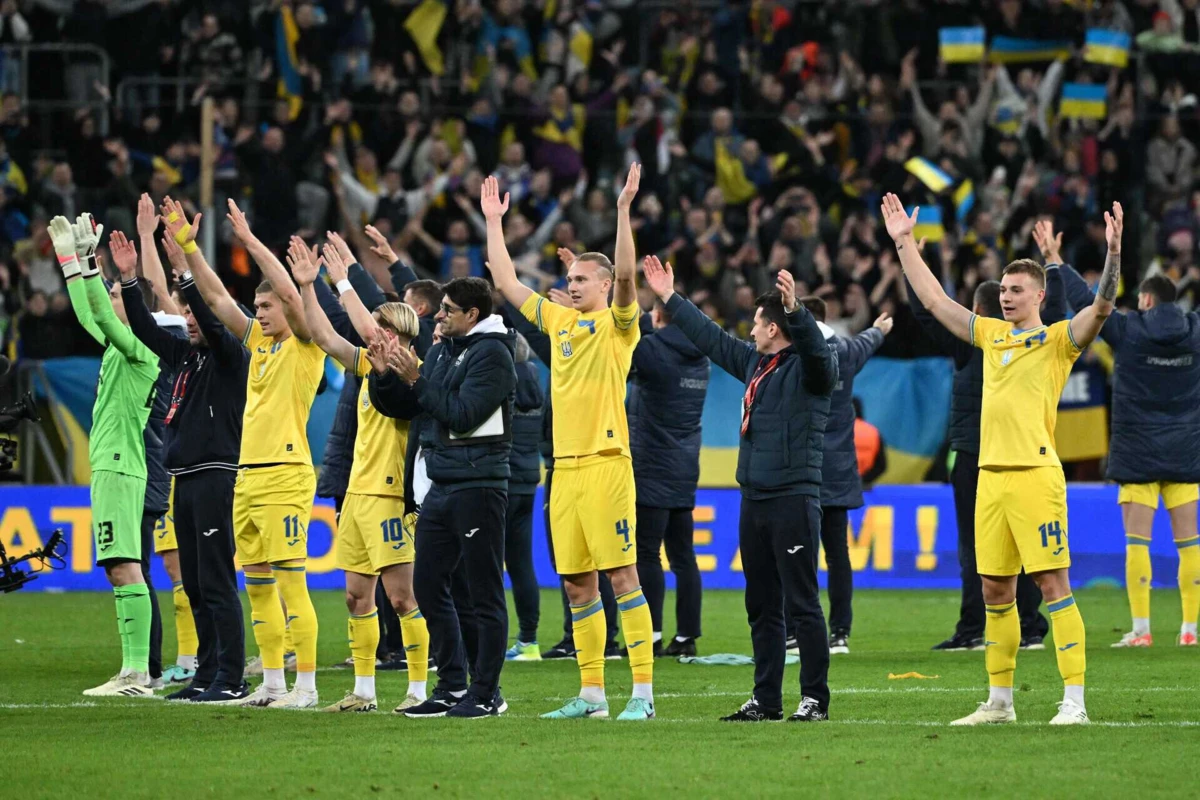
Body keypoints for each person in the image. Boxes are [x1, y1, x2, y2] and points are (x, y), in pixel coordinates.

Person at [883, 192, 1122, 726]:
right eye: (1005, 290)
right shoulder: (991, 337)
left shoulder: (1058, 340)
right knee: (995, 590)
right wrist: (903, 245)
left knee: (1054, 586)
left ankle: (1074, 702)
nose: (1008, 297)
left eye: (1017, 290)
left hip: (1036, 477)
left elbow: (1102, 306)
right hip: (989, 479)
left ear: (1039, 295)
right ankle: (999, 702)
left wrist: (1113, 254)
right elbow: (935, 302)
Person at [484, 165, 658, 721]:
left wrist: (624, 210)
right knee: (578, 585)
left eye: (584, 280)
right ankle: (591, 696)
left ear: (604, 287)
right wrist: (494, 222)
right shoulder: (558, 322)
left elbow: (629, 277)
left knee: (622, 578)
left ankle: (643, 696)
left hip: (608, 466)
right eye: (573, 279)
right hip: (564, 470)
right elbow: (509, 286)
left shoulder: (619, 326)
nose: (574, 285)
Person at [643, 255, 838, 723]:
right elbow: (712, 339)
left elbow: (816, 353)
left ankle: (814, 698)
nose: (750, 330)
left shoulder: (813, 368)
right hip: (754, 499)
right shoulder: (756, 364)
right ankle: (766, 699)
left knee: (803, 604)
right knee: (761, 605)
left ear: (774, 328)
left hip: (793, 497)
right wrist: (671, 298)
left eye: (757, 323)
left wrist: (797, 312)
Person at [162, 198, 325, 709]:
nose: (259, 312)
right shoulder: (257, 344)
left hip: (284, 474)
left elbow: (296, 303)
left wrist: (252, 243)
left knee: (292, 584)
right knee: (256, 586)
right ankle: (273, 684)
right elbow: (214, 297)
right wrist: (190, 249)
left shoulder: (305, 344)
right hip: (247, 476)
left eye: (267, 305)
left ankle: (307, 687)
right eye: (257, 307)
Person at [285, 237, 431, 712]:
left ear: (399, 334)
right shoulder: (369, 367)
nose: (373, 336)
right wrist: (309, 287)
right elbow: (326, 337)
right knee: (355, 597)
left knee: (403, 597)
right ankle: (364, 692)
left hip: (391, 497)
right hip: (356, 495)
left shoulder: (413, 372)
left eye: (382, 329)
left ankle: (417, 689)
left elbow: (362, 325)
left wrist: (344, 280)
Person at [1041, 223, 1200, 649]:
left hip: (1138, 456)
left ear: (1145, 300)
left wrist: (1056, 261)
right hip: (1186, 453)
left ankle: (1142, 630)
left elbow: (1090, 302)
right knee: (1190, 545)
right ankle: (1190, 630)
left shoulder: (1129, 331)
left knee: (1137, 543)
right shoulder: (1196, 333)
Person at [110, 224, 250, 703]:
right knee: (192, 584)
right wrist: (129, 281)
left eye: (196, 314)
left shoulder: (233, 356)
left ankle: (231, 677)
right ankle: (207, 674)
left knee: (215, 581)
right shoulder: (187, 358)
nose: (189, 321)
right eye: (186, 314)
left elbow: (214, 324)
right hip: (184, 479)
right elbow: (145, 329)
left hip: (215, 474)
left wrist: (185, 274)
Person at [371, 276, 516, 718]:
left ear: (473, 315)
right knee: (428, 584)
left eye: (448, 309)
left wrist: (416, 377)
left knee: (482, 592)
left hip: (479, 485)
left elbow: (464, 416)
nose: (439, 314)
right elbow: (408, 405)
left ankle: (487, 692)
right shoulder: (442, 351)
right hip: (442, 484)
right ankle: (452, 685)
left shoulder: (494, 355)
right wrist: (383, 377)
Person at [907, 275, 1049, 652]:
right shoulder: (1030, 343)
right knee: (1022, 546)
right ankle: (1030, 627)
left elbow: (926, 315)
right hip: (1020, 452)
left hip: (975, 456)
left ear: (977, 311)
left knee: (976, 548)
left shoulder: (973, 343)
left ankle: (973, 628)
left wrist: (910, 274)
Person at [55, 213, 161, 697]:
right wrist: (71, 263)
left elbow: (99, 313)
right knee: (119, 565)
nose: (112, 301)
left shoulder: (141, 348)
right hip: (112, 465)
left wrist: (91, 268)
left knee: (124, 564)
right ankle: (132, 669)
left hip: (121, 465)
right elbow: (87, 314)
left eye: (120, 296)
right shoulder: (119, 349)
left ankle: (137, 673)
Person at [799, 296, 892, 656]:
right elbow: (868, 342)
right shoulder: (848, 352)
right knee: (838, 555)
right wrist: (879, 329)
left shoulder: (799, 354)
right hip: (839, 470)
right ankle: (840, 633)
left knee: (798, 555)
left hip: (805, 470)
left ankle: (797, 632)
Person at [627, 295, 710, 658]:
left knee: (646, 554)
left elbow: (627, 342)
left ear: (658, 315)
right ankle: (687, 635)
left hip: (650, 466)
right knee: (683, 556)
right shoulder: (703, 357)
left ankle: (652, 633)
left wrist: (643, 322)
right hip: (685, 466)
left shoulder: (652, 351)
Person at [504, 332, 547, 660]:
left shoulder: (503, 382)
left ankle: (485, 637)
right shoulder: (538, 384)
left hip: (500, 481)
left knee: (487, 565)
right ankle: (529, 640)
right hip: (528, 480)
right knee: (521, 564)